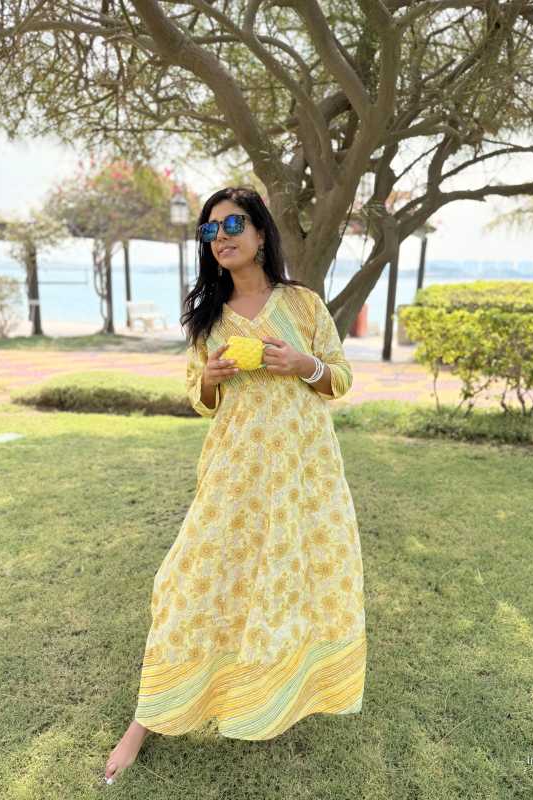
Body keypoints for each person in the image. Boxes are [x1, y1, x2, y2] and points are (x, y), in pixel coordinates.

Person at [104, 186, 366, 784]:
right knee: (188, 577)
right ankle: (146, 718)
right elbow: (199, 396)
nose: (220, 237)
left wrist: (307, 365)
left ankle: (279, 694)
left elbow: (341, 379)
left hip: (303, 473)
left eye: (232, 224)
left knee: (289, 577)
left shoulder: (302, 306)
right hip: (234, 471)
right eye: (209, 230)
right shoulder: (208, 315)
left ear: (261, 232)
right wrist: (215, 377)